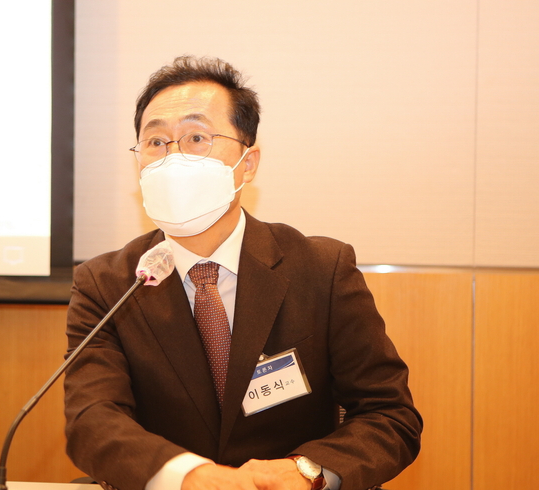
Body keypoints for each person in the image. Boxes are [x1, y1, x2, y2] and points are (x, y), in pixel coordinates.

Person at [64, 56, 422, 490]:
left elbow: (389, 415)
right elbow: (92, 420)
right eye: (155, 142)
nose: (173, 158)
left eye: (197, 137)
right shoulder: (106, 284)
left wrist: (306, 471)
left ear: (247, 163)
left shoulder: (321, 269)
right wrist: (190, 477)